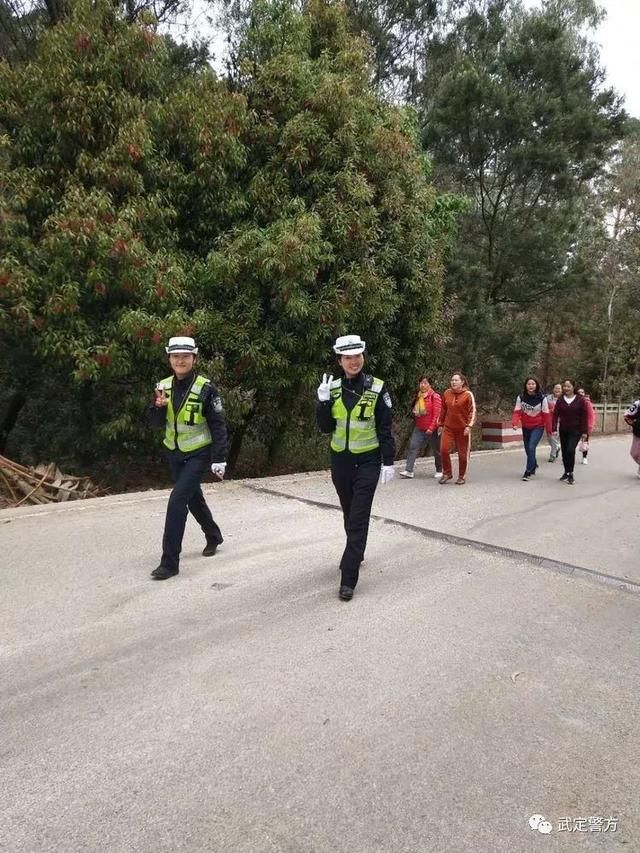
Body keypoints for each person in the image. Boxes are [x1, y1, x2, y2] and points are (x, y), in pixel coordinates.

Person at [316, 334, 396, 601]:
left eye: (357, 356)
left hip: (368, 461)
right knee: (349, 513)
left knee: (359, 516)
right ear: (340, 360)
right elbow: (326, 428)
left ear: (363, 356)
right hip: (341, 461)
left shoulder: (378, 388)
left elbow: (385, 429)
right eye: (348, 357)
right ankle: (356, 552)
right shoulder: (334, 388)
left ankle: (348, 578)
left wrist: (388, 461)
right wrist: (323, 403)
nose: (353, 361)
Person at [148, 336, 228, 580]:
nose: (180, 361)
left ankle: (169, 563)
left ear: (194, 358)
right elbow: (153, 424)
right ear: (169, 359)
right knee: (192, 499)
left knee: (176, 502)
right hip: (174, 452)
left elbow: (218, 424)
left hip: (198, 453)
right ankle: (213, 535)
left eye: (185, 356)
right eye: (175, 356)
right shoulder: (162, 386)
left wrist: (219, 458)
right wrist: (158, 408)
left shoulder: (206, 388)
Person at [399, 375, 443, 480]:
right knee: (413, 446)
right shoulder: (419, 396)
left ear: (430, 384)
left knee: (436, 450)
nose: (422, 385)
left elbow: (437, 414)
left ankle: (439, 470)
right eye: (421, 383)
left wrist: (431, 428)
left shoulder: (435, 396)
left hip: (432, 428)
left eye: (425, 383)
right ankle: (408, 470)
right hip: (419, 427)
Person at [437, 372, 476, 485]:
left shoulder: (468, 394)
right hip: (448, 427)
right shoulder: (447, 393)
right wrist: (440, 424)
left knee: (462, 454)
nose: (453, 382)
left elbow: (472, 411)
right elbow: (443, 410)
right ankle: (447, 473)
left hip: (463, 429)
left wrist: (469, 426)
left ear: (462, 382)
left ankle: (462, 476)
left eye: (456, 380)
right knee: (443, 450)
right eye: (452, 380)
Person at [511, 377, 552, 481]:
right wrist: (515, 423)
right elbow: (517, 411)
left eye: (533, 384)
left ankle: (528, 471)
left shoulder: (542, 399)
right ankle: (533, 464)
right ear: (525, 386)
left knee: (531, 447)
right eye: (529, 384)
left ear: (536, 386)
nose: (531, 386)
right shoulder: (521, 397)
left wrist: (549, 430)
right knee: (527, 449)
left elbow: (546, 415)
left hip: (538, 427)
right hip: (526, 427)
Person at [551, 379, 588, 485]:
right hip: (563, 430)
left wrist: (585, 431)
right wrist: (554, 428)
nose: (566, 388)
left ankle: (571, 473)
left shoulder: (580, 400)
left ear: (573, 387)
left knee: (570, 450)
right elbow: (555, 415)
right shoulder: (560, 399)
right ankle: (566, 472)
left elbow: (585, 417)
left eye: (568, 386)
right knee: (564, 452)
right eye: (564, 386)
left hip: (576, 430)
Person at [576, 388, 597, 464]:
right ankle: (569, 458)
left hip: (585, 426)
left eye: (582, 392)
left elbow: (591, 415)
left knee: (584, 442)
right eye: (579, 392)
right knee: (571, 443)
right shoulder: (573, 402)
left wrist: (589, 426)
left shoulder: (587, 402)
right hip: (575, 425)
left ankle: (584, 457)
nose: (581, 394)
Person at [623, 399, 640, 478]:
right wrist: (635, 424)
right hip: (638, 433)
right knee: (634, 453)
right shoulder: (638, 404)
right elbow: (627, 415)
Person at [545, 383, 562, 462]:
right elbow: (544, 407)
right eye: (556, 388)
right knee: (549, 438)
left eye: (559, 388)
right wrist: (549, 410)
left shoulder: (563, 399)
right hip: (548, 420)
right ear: (553, 389)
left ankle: (553, 455)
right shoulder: (548, 398)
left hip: (559, 421)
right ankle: (557, 447)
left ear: (561, 390)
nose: (557, 390)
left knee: (553, 437)